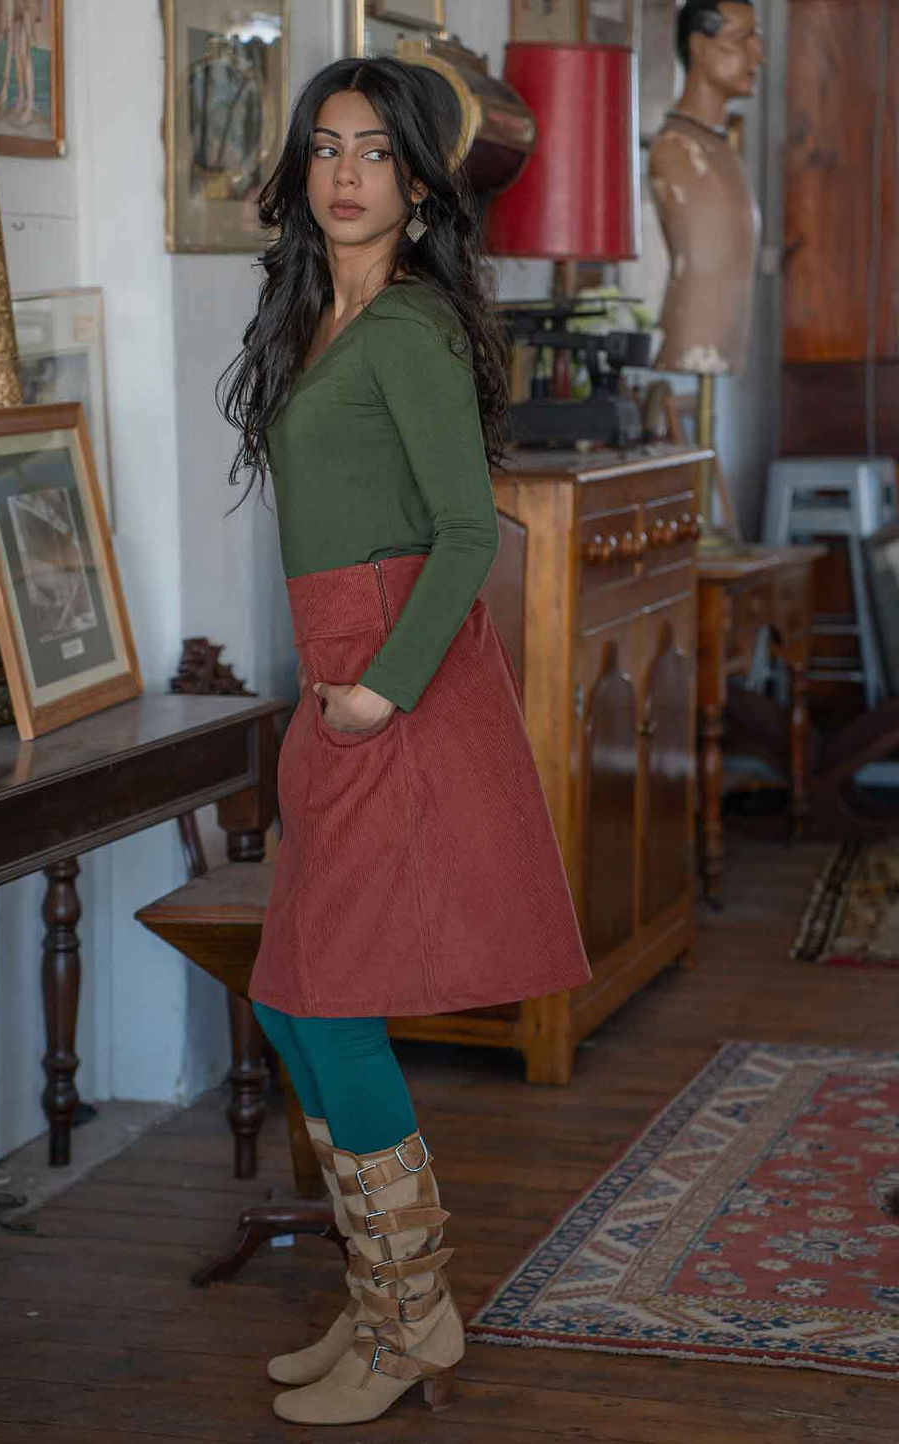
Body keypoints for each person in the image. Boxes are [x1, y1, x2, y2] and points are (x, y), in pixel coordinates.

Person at [219, 56, 591, 1427]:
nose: (346, 173)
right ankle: (384, 1297)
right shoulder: (320, 316)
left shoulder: (413, 327)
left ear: (422, 185)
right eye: (326, 147)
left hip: (390, 687)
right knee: (288, 996)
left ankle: (410, 1315)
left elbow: (465, 531)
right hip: (335, 680)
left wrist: (380, 688)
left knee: (327, 1003)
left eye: (376, 150)